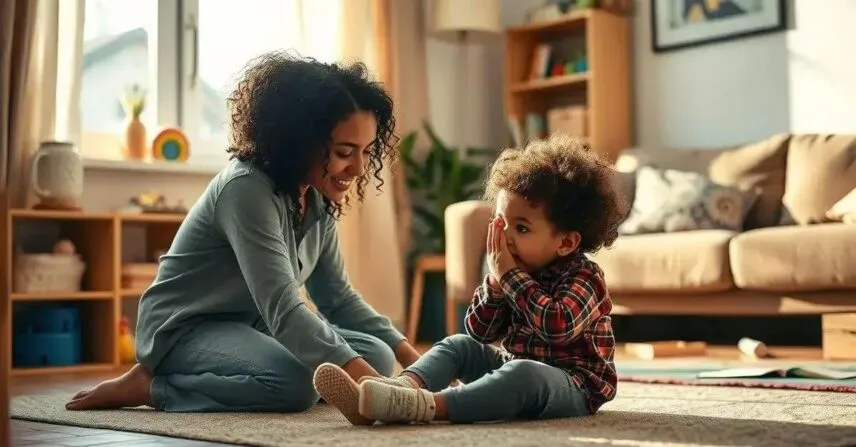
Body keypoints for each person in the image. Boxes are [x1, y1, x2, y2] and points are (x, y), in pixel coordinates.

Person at [64, 51, 422, 414]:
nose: (359, 167)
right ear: (301, 140)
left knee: (375, 353)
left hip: (253, 326)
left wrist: (410, 357)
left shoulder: (318, 196)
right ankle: (154, 386)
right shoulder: (246, 189)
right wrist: (365, 379)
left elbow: (337, 298)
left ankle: (264, 380)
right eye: (346, 151)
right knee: (296, 383)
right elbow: (283, 308)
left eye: (366, 151)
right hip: (186, 329)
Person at [313, 134, 628, 425]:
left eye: (521, 228)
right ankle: (397, 391)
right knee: (458, 345)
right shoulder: (511, 271)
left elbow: (555, 327)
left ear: (566, 243)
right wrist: (494, 286)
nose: (504, 237)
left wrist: (509, 278)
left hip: (572, 384)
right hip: (513, 365)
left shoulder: (585, 278)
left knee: (523, 374)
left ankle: (425, 406)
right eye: (500, 223)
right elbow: (479, 331)